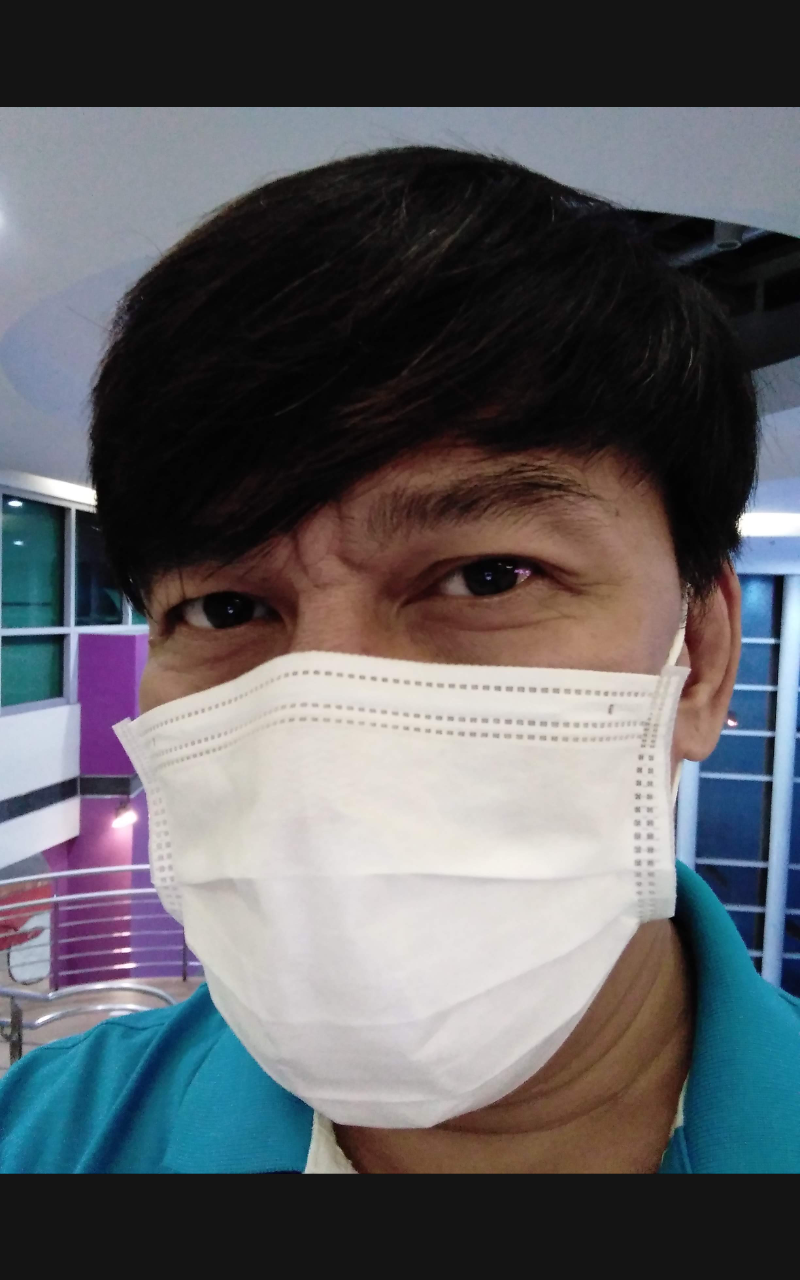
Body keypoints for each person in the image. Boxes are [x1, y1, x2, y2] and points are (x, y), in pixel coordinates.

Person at [2, 147, 798, 1174]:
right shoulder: (40, 1141)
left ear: (699, 658)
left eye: (486, 578)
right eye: (226, 606)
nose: (324, 748)